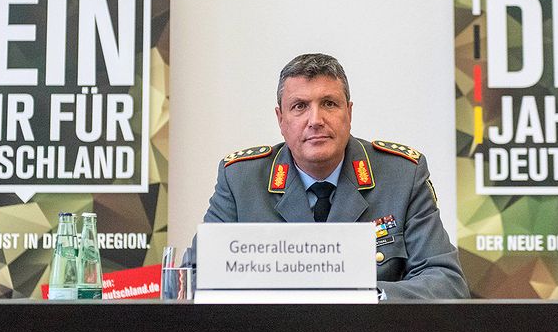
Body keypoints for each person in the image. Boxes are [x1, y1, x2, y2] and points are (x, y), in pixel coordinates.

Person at [196, 53, 469, 300]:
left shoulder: (402, 175)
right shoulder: (241, 180)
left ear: (348, 113)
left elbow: (446, 283)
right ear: (281, 119)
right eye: (300, 106)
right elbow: (194, 277)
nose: (315, 120)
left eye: (329, 103)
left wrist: (368, 295)